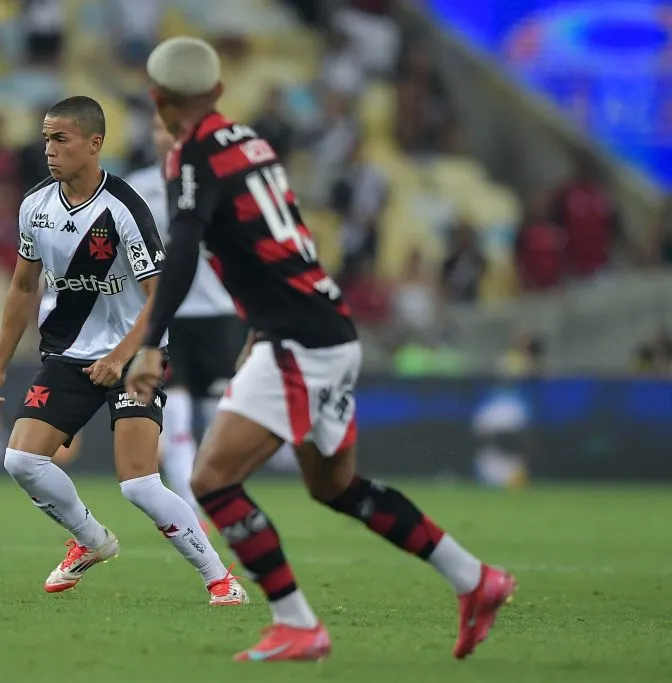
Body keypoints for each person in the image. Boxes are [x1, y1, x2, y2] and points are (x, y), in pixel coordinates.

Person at [126, 37, 515, 662]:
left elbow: (184, 249)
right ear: (219, 91)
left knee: (212, 481)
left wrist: (151, 345)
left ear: (158, 98)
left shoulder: (191, 157)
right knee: (337, 487)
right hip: (326, 325)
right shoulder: (249, 142)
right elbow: (275, 241)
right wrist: (258, 326)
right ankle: (474, 578)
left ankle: (297, 623)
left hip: (299, 341)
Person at [0, 96, 246, 605]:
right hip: (69, 353)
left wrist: (121, 357)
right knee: (21, 460)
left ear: (94, 143)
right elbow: (23, 287)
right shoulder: (35, 205)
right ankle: (90, 539)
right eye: (46, 139)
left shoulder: (124, 208)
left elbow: (160, 294)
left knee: (139, 485)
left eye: (61, 139)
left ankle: (220, 579)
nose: (49, 150)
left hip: (135, 355)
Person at [125, 113, 247, 530]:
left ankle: (217, 494)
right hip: (166, 315)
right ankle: (193, 506)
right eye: (160, 128)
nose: (168, 136)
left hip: (218, 314)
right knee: (173, 414)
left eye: (175, 127)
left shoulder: (219, 181)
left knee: (218, 418)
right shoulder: (137, 188)